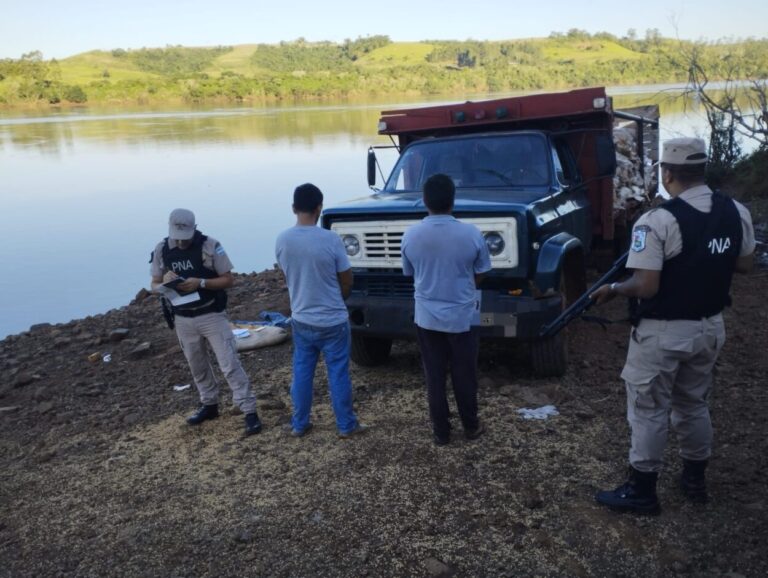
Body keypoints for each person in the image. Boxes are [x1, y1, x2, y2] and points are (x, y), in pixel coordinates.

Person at [590, 138, 756, 513]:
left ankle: (642, 490)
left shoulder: (657, 220)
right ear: (702, 170)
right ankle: (694, 480)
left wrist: (614, 288)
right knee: (693, 403)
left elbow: (646, 285)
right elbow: (744, 265)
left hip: (664, 332)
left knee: (649, 408)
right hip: (710, 327)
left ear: (667, 173)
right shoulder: (736, 212)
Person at [150, 208, 262, 436]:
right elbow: (153, 284)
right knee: (197, 365)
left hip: (211, 314)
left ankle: (249, 410)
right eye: (177, 237)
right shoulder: (162, 249)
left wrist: (200, 283)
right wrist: (164, 281)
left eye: (185, 237)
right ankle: (209, 404)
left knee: (229, 364)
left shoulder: (210, 245)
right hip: (183, 318)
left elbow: (229, 279)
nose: (181, 243)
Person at [401, 173, 492, 445]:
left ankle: (441, 432)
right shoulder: (471, 233)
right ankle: (471, 426)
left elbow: (410, 273)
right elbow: (483, 271)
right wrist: (465, 286)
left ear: (424, 200)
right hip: (464, 315)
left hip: (426, 316)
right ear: (453, 200)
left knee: (434, 376)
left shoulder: (411, 234)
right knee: (465, 374)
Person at [275, 183, 366, 438]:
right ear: (319, 208)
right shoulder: (330, 239)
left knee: (302, 372)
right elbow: (347, 279)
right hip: (333, 319)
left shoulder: (283, 239)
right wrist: (339, 298)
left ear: (294, 208)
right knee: (338, 372)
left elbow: (288, 274)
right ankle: (346, 425)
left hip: (302, 318)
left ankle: (299, 424)